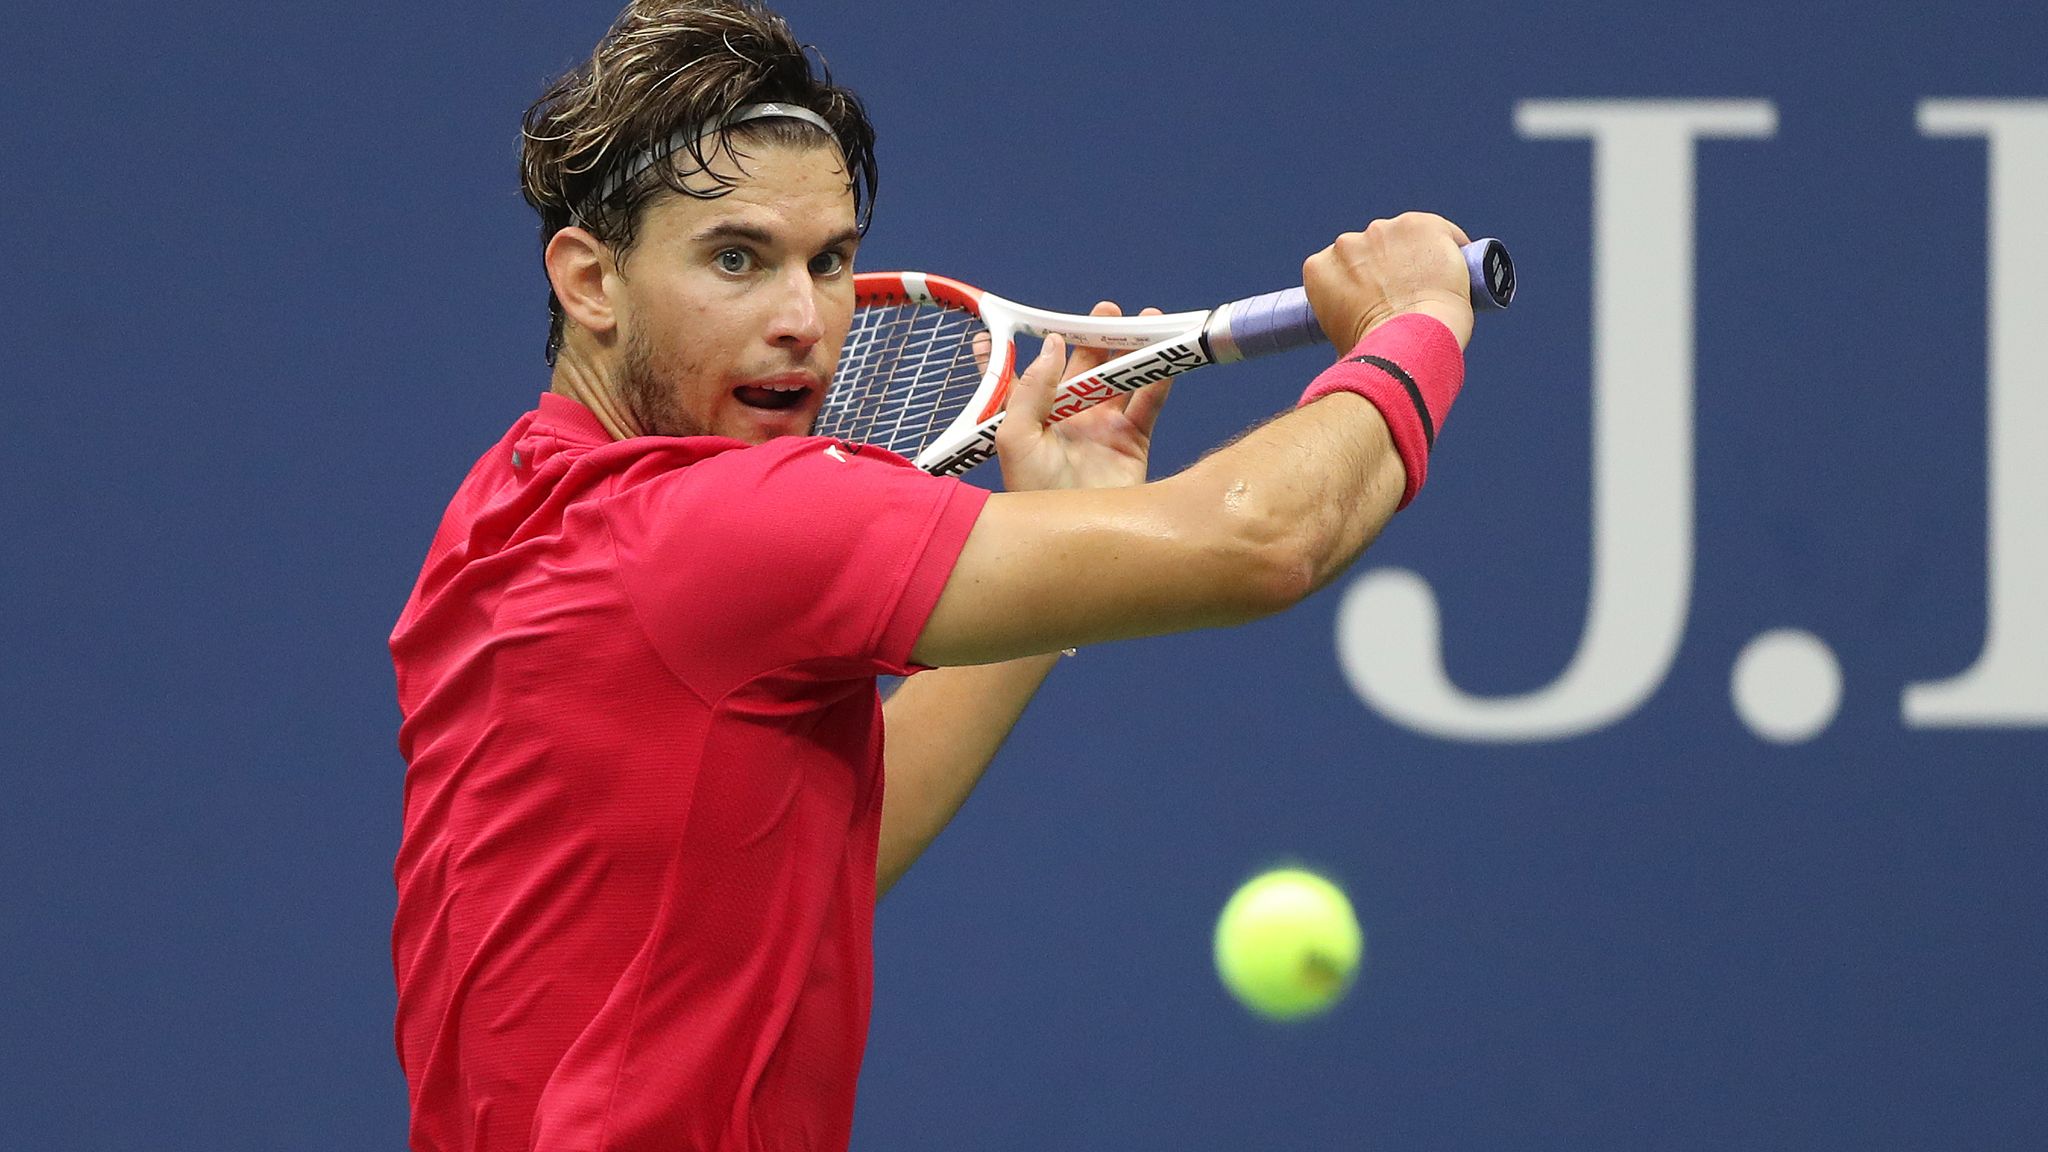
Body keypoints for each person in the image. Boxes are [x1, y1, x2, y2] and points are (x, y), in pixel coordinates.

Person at [388, 1, 1481, 1149]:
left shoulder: (504, 508)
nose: (804, 319)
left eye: (829, 262)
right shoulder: (723, 528)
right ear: (590, 281)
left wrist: (1056, 522)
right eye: (735, 260)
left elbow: (788, 872)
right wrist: (1413, 324)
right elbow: (1261, 542)